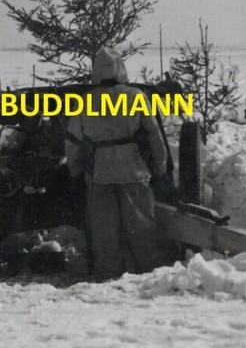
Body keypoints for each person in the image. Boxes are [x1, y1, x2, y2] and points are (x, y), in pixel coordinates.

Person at [64, 47, 168, 279]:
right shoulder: (136, 95)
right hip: (134, 170)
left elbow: (74, 141)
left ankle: (107, 278)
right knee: (142, 228)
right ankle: (148, 275)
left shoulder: (86, 100)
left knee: (104, 233)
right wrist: (159, 165)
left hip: (100, 174)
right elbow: (153, 134)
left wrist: (75, 169)